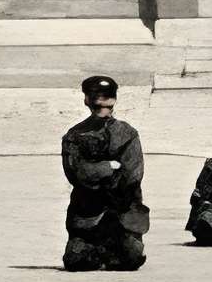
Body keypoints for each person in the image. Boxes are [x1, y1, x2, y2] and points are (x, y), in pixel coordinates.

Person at [59, 74, 150, 271]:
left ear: (114, 101)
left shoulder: (128, 133)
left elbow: (132, 177)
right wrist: (109, 167)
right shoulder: (74, 136)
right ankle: (96, 249)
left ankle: (114, 249)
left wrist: (96, 174)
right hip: (87, 217)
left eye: (107, 103)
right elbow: (76, 174)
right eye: (98, 104)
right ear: (87, 101)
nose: (103, 109)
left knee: (129, 259)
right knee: (77, 261)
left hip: (123, 215)